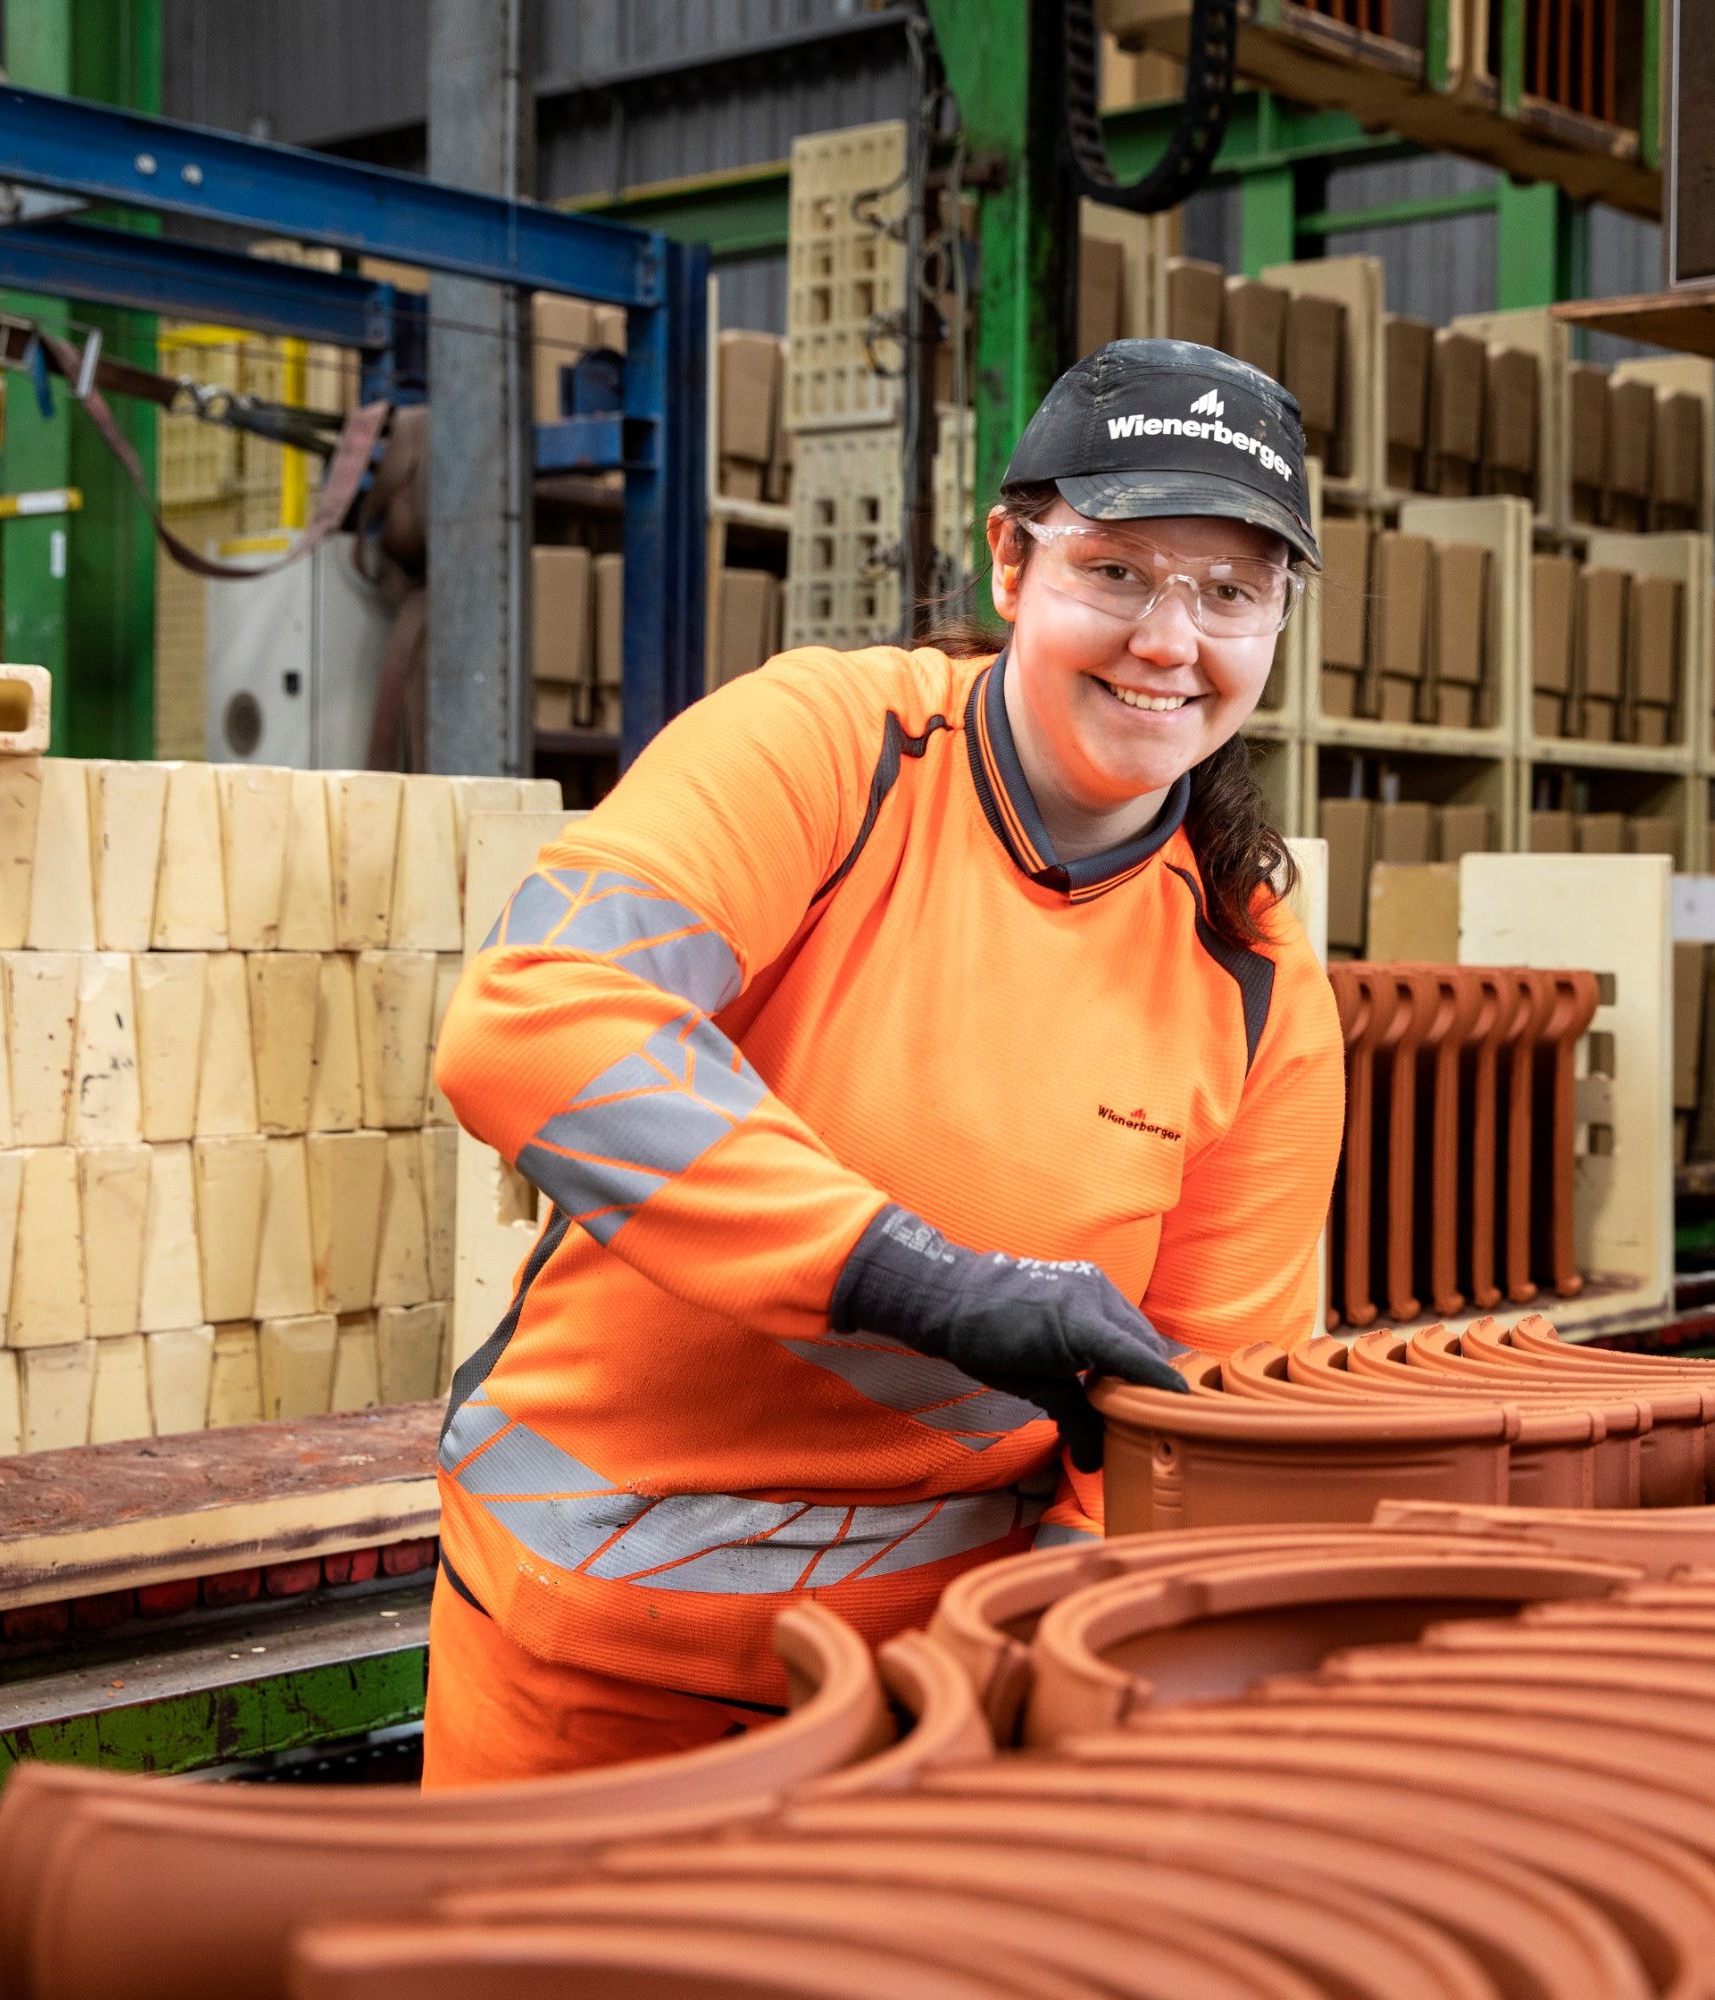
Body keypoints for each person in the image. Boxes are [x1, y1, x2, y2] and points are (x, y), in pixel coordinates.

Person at [420, 340, 1344, 1786]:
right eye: (1116, 572)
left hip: (933, 1719)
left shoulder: (1254, 970)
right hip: (587, 1673)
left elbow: (1207, 1408)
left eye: (1230, 592)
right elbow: (537, 1019)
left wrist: (1058, 1654)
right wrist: (919, 1282)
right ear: (1010, 561)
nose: (1171, 640)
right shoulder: (825, 751)